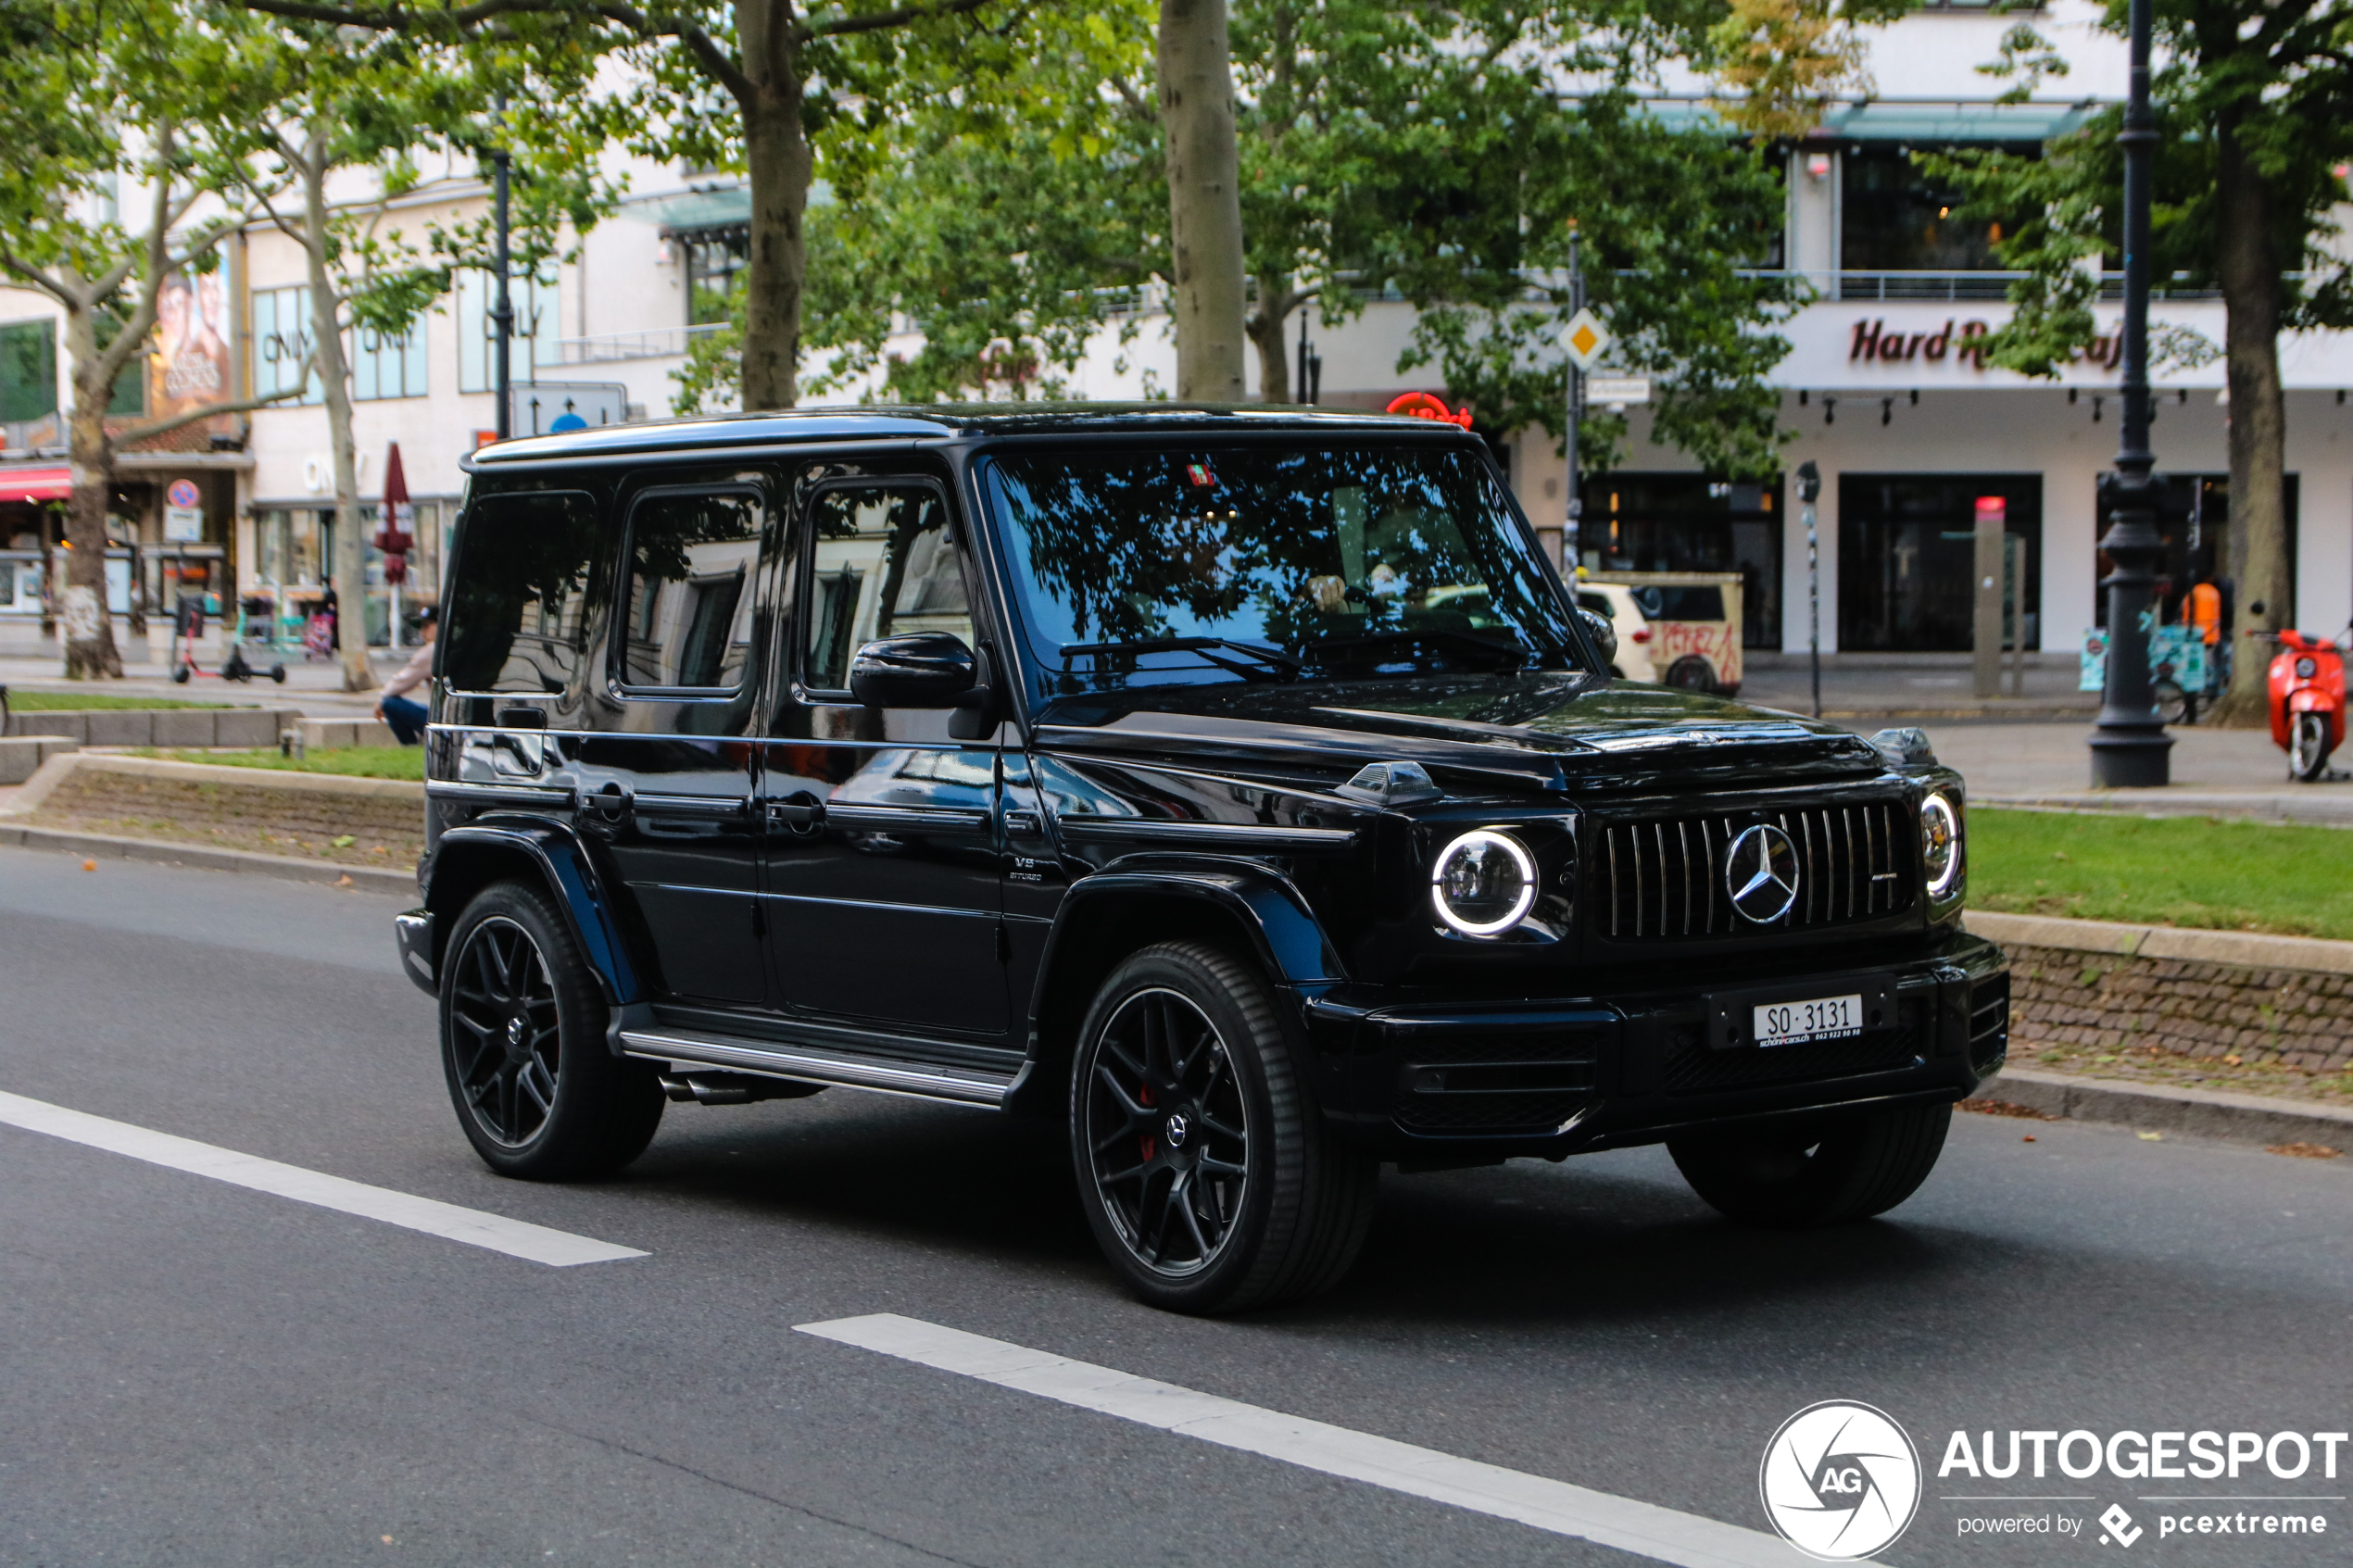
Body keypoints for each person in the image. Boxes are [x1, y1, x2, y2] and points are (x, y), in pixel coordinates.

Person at [375, 606, 436, 745]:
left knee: (389, 704)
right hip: (462, 719)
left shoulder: (433, 650)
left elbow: (402, 681)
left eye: (426, 626)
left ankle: (410, 746)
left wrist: (380, 699)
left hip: (442, 720)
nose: (422, 633)